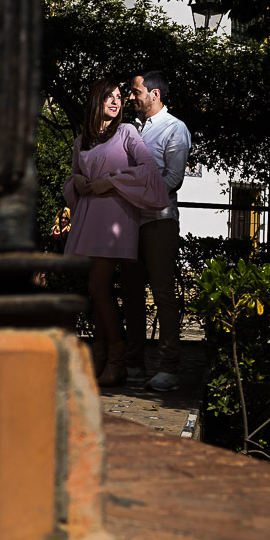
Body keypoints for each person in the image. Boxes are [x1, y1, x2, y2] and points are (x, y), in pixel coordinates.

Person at [64, 79, 170, 387]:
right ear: (95, 100)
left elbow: (150, 171)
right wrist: (78, 183)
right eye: (108, 97)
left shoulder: (127, 133)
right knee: (96, 292)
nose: (115, 101)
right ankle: (101, 356)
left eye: (118, 97)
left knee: (98, 288)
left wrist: (111, 181)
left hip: (114, 220)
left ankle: (116, 359)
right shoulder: (82, 140)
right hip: (88, 218)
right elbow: (74, 177)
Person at [124, 70, 192, 392]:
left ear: (155, 95)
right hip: (130, 222)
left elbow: (174, 178)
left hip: (160, 220)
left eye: (137, 92)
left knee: (163, 294)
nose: (132, 97)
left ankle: (169, 368)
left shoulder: (174, 128)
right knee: (132, 293)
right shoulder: (133, 129)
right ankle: (134, 365)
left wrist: (140, 197)